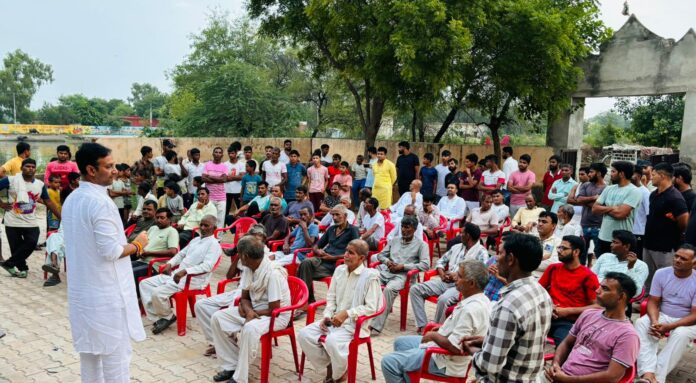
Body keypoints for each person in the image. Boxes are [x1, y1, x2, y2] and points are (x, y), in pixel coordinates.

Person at [63, 142, 149, 382]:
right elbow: (110, 251)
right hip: (107, 298)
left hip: (83, 296)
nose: (115, 170)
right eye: (109, 166)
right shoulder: (100, 202)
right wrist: (139, 243)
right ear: (91, 170)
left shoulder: (72, 200)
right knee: (116, 363)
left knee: (90, 361)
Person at [463, 233, 553, 382]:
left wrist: (474, 351)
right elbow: (524, 339)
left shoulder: (508, 305)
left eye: (500, 253)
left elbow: (489, 365)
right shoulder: (541, 292)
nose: (497, 258)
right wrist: (489, 340)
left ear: (511, 259)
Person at [381, 260, 491, 382]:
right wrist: (442, 329)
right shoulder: (482, 299)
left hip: (446, 362)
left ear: (471, 283)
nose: (455, 278)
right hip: (442, 351)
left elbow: (456, 347)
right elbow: (463, 330)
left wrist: (434, 336)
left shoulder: (471, 309)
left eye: (459, 276)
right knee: (400, 343)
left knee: (389, 362)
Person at [207, 236, 290, 383]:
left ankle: (240, 378)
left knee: (250, 329)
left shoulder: (272, 274)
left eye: (238, 254)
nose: (238, 256)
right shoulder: (249, 268)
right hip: (255, 310)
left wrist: (251, 312)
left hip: (276, 316)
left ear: (244, 256)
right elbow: (244, 296)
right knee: (218, 318)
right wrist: (247, 309)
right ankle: (231, 365)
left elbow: (275, 309)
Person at [298, 239, 382, 383]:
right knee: (304, 334)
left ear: (362, 258)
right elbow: (331, 298)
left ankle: (337, 375)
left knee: (331, 341)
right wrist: (327, 315)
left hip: (354, 325)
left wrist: (347, 313)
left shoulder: (370, 276)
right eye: (346, 251)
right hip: (334, 321)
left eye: (351, 253)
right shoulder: (339, 270)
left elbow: (371, 308)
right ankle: (332, 366)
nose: (345, 255)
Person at [544, 272, 639, 383]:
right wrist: (556, 365)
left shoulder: (628, 335)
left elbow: (612, 377)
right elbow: (566, 343)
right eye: (599, 286)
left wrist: (568, 380)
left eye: (605, 289)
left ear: (621, 296)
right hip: (561, 376)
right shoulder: (588, 314)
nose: (597, 291)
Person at [140, 215, 222, 334]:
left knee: (157, 292)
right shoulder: (196, 240)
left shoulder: (214, 245)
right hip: (177, 275)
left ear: (214, 228)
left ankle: (167, 317)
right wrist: (169, 264)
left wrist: (185, 271)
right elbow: (181, 254)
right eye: (201, 225)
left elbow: (207, 266)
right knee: (145, 284)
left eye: (206, 226)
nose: (202, 228)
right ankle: (161, 317)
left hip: (192, 280)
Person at [410, 223, 488, 332]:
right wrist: (442, 274)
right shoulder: (456, 247)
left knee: (443, 299)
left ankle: (437, 330)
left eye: (462, 233)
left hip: (461, 286)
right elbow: (441, 261)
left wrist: (457, 276)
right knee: (415, 289)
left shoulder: (482, 252)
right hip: (445, 281)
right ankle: (423, 326)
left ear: (468, 236)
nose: (460, 235)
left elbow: (478, 275)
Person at [635, 244, 696, 383]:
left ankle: (655, 378)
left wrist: (669, 327)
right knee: (641, 323)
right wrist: (655, 321)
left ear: (694, 263)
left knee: (681, 334)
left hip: (688, 321)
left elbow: (694, 315)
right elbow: (653, 302)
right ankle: (648, 373)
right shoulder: (661, 273)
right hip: (663, 315)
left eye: (683, 258)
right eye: (676, 256)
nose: (677, 260)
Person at [0, 159, 61, 278]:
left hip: (30, 221)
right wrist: (1, 204)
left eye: (33, 167)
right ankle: (22, 268)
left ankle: (9, 263)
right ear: (22, 168)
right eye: (27, 166)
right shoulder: (11, 180)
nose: (30, 169)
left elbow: (48, 201)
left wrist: (61, 217)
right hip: (12, 220)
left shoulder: (39, 184)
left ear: (36, 169)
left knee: (32, 243)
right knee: (15, 247)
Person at [370, 216, 430, 333]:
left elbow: (425, 265)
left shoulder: (421, 245)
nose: (403, 230)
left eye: (407, 227)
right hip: (387, 272)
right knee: (367, 279)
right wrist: (387, 262)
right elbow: (381, 255)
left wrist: (403, 266)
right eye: (402, 227)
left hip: (403, 276)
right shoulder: (395, 240)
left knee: (389, 289)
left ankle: (375, 326)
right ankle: (360, 317)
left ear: (414, 229)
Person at [538, 235, 600, 346]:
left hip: (569, 322)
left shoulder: (588, 276)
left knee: (564, 346)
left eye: (564, 248)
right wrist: (550, 306)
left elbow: (597, 307)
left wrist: (567, 311)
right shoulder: (553, 268)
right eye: (559, 248)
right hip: (546, 314)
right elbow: (537, 291)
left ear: (576, 252)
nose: (559, 251)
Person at [297, 205, 360, 303]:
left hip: (338, 264)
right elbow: (315, 246)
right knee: (304, 263)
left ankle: (306, 301)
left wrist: (333, 257)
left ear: (345, 215)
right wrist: (318, 251)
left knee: (303, 271)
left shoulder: (352, 230)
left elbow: (355, 252)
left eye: (337, 215)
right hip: (323, 260)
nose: (334, 218)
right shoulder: (331, 229)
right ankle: (307, 300)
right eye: (333, 215)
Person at [643, 162, 689, 292]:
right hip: (649, 244)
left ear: (662, 175)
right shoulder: (653, 195)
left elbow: (684, 222)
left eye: (653, 175)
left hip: (665, 248)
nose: (651, 177)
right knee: (649, 280)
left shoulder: (675, 197)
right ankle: (646, 302)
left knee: (666, 280)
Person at [592, 161, 643, 257]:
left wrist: (604, 209)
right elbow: (594, 209)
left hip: (621, 241)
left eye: (613, 171)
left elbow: (621, 214)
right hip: (603, 237)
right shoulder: (609, 189)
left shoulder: (634, 191)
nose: (610, 174)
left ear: (622, 174)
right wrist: (613, 208)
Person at [568, 162, 607, 265]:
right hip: (584, 224)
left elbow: (601, 206)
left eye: (591, 172)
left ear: (598, 173)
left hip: (599, 226)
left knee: (599, 254)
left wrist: (587, 202)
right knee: (580, 254)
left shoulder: (606, 188)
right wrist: (594, 198)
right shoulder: (585, 185)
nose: (589, 174)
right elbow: (579, 199)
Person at [591, 230, 648, 297]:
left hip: (615, 300)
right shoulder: (605, 256)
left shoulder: (641, 266)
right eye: (612, 242)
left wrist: (630, 268)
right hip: (593, 293)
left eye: (615, 242)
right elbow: (591, 276)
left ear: (626, 246)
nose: (611, 245)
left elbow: (636, 292)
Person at [131, 208, 179, 283]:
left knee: (130, 273)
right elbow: (144, 243)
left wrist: (149, 253)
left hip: (154, 265)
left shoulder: (172, 231)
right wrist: (140, 251)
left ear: (169, 219)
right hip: (141, 260)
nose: (159, 220)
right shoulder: (153, 228)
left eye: (162, 218)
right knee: (123, 268)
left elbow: (173, 252)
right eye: (157, 218)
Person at [202, 147, 229, 227]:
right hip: (210, 197)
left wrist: (210, 176)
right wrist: (219, 179)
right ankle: (209, 237)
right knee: (209, 218)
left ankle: (218, 238)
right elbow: (203, 178)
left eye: (219, 152)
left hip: (221, 197)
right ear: (213, 154)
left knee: (220, 219)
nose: (217, 154)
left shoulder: (224, 166)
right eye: (216, 152)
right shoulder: (207, 165)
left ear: (222, 155)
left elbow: (224, 179)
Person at [534, 211, 562, 278]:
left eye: (544, 222)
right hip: (525, 276)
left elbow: (555, 262)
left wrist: (529, 263)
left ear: (553, 226)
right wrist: (542, 258)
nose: (540, 224)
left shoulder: (559, 242)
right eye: (539, 221)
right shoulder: (531, 238)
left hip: (543, 279)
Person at [507, 153, 535, 217]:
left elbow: (527, 188)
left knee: (524, 222)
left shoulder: (531, 174)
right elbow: (509, 188)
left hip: (525, 203)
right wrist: (523, 190)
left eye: (524, 163)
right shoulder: (513, 174)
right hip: (513, 203)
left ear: (528, 164)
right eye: (520, 162)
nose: (521, 164)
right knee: (513, 222)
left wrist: (514, 187)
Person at [224, 145, 246, 223]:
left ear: (236, 153)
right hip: (227, 191)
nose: (231, 155)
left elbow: (242, 177)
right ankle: (223, 229)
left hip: (238, 191)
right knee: (225, 211)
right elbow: (224, 178)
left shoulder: (241, 164)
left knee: (240, 210)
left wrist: (230, 177)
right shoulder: (225, 164)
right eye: (229, 153)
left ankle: (241, 226)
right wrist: (236, 177)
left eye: (232, 153)